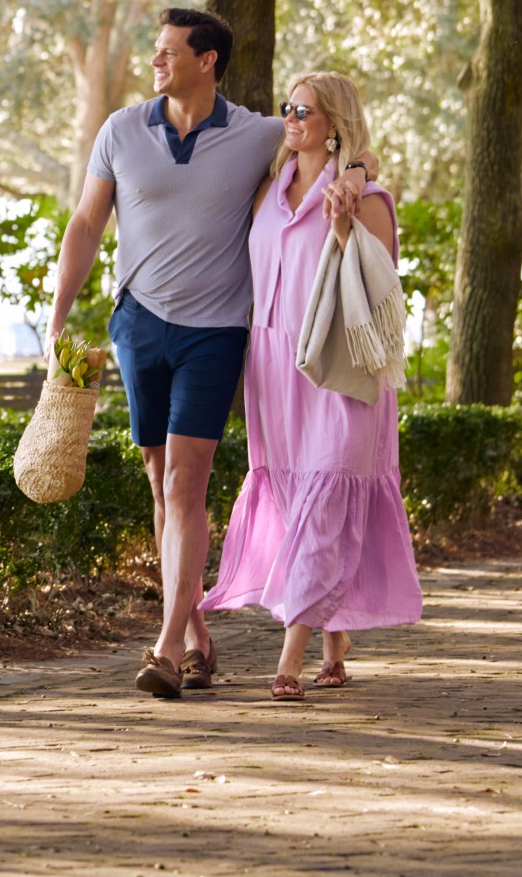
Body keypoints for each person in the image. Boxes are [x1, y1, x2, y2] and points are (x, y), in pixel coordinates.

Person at [45, 9, 372, 700]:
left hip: (215, 333)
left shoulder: (255, 132)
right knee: (160, 487)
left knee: (185, 486)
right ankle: (193, 634)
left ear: (208, 60)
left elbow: (332, 140)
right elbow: (85, 222)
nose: (156, 61)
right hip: (139, 326)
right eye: (156, 50)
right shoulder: (120, 130)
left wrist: (362, 167)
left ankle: (164, 648)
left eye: (168, 51)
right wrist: (59, 312)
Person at [199, 73, 422, 700]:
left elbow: (377, 290)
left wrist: (352, 191)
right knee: (296, 497)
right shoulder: (267, 189)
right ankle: (333, 641)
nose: (291, 119)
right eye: (287, 108)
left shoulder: (367, 198)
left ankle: (289, 657)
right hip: (272, 363)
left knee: (326, 498)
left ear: (335, 124)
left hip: (339, 365)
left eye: (305, 111)